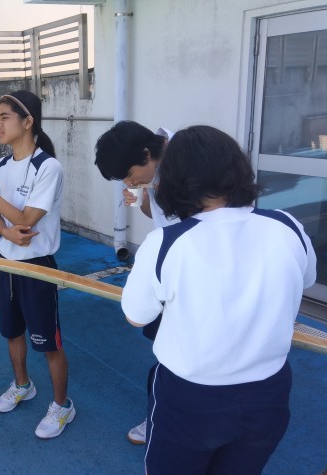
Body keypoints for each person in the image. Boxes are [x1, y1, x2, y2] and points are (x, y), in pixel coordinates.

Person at [121, 125, 316, 474]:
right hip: (268, 393)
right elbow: (307, 278)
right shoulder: (287, 225)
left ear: (175, 180)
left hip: (190, 398)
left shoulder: (166, 242)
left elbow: (136, 315)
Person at [0, 90, 74, 439]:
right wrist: (6, 232)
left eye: (4, 117)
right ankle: (22, 385)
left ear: (27, 122)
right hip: (6, 261)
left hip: (37, 266)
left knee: (49, 342)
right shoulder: (1, 166)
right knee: (12, 331)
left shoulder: (48, 167)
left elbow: (27, 217)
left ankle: (62, 405)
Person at [94, 120, 174, 445]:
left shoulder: (187, 161)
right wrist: (141, 197)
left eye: (128, 175)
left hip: (193, 275)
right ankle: (161, 415)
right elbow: (158, 216)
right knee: (166, 354)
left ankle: (162, 419)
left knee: (177, 360)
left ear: (145, 153)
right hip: (170, 273)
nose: (129, 181)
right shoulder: (152, 168)